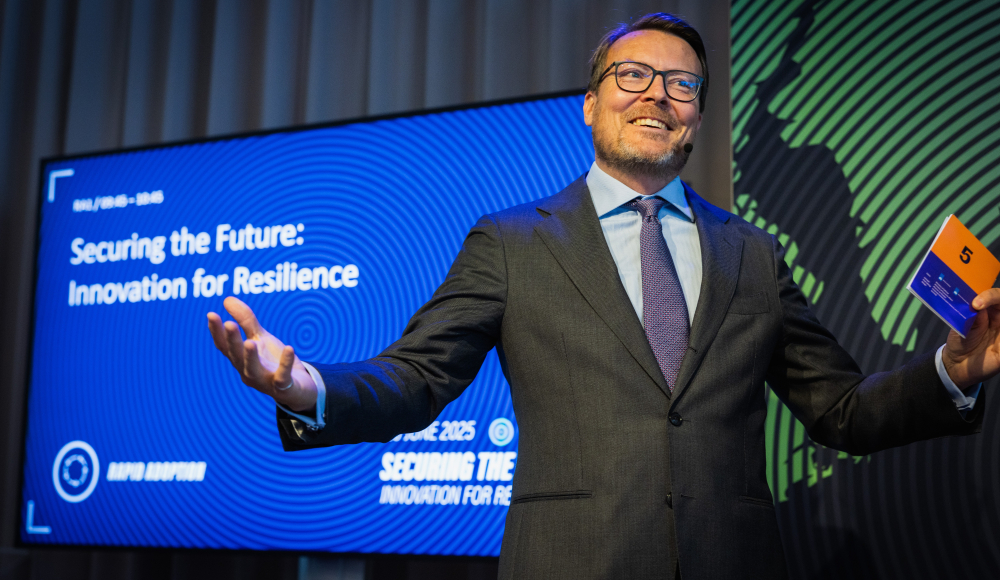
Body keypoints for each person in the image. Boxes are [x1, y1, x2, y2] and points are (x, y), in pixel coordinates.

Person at [207, 13, 997, 580]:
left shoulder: (754, 252)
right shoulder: (512, 241)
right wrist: (303, 383)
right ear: (592, 104)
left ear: (696, 116)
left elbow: (842, 411)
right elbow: (416, 382)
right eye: (633, 75)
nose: (656, 94)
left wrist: (953, 372)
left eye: (681, 82)